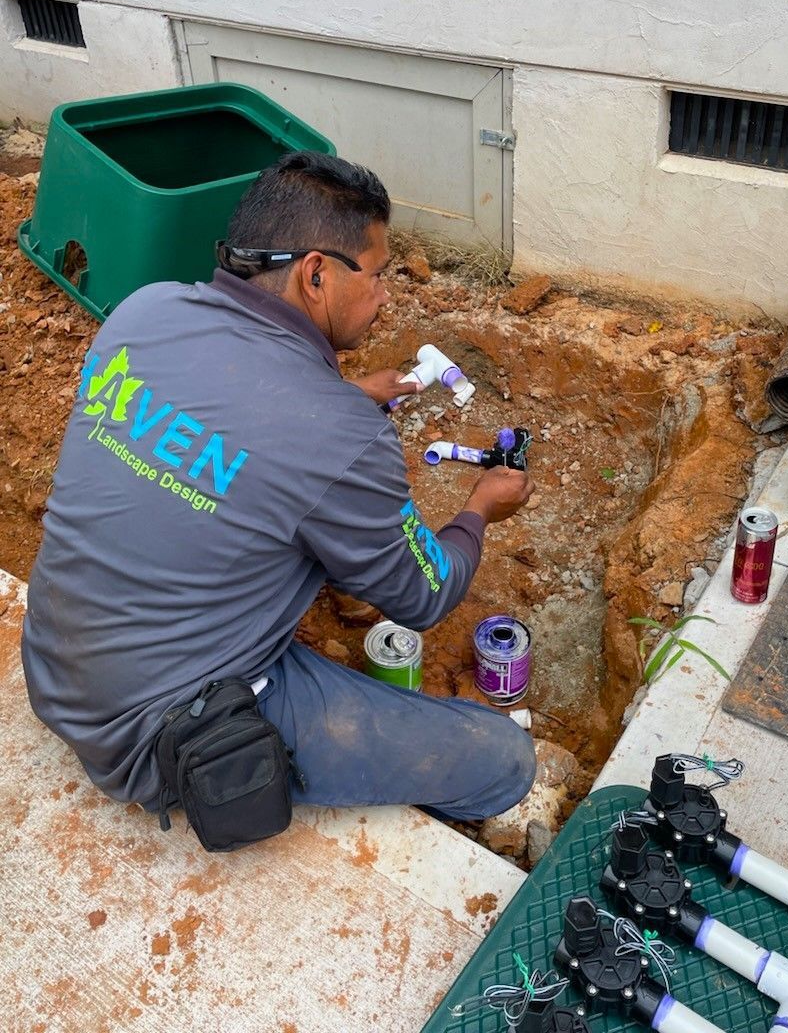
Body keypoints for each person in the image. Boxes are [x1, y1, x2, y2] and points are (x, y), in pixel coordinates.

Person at [21, 150, 537, 824]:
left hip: (53, 669)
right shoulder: (339, 438)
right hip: (163, 739)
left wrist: (341, 402)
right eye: (378, 275)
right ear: (316, 273)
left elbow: (219, 419)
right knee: (503, 759)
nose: (386, 296)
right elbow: (425, 594)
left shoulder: (145, 311)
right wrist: (479, 510)